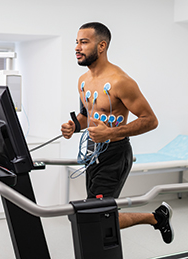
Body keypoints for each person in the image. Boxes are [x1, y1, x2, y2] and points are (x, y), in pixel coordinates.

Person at [61, 22, 173, 244]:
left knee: (94, 216)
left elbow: (150, 120)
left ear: (101, 46)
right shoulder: (83, 81)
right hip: (92, 153)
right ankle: (157, 218)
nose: (77, 47)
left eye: (84, 42)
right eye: (76, 42)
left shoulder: (121, 81)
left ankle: (155, 219)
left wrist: (111, 134)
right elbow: (87, 116)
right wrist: (74, 126)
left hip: (114, 155)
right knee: (98, 213)